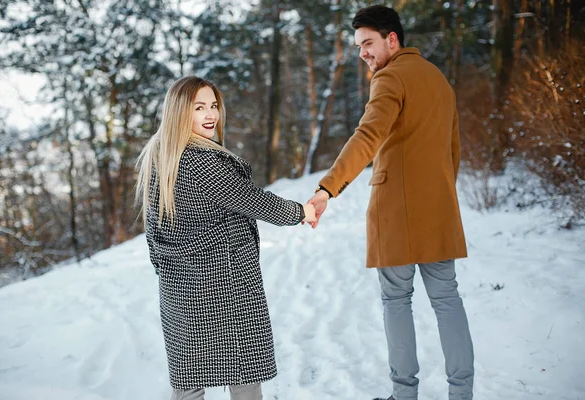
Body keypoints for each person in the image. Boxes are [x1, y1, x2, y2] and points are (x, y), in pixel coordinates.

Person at [306, 5, 474, 400]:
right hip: (438, 208)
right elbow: (454, 151)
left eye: (367, 43)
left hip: (397, 213)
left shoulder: (389, 78)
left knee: (396, 300)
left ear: (391, 39)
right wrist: (440, 192)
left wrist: (328, 188)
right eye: (359, 46)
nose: (363, 53)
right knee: (447, 299)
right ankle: (462, 394)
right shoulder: (438, 80)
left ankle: (404, 394)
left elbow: (367, 137)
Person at [136, 76, 316, 400]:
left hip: (179, 291)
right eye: (199, 107)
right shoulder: (202, 160)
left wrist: (168, 269)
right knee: (244, 378)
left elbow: (153, 232)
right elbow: (251, 199)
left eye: (214, 106)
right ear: (179, 113)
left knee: (189, 385)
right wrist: (300, 212)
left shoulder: (159, 157)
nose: (210, 115)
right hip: (226, 287)